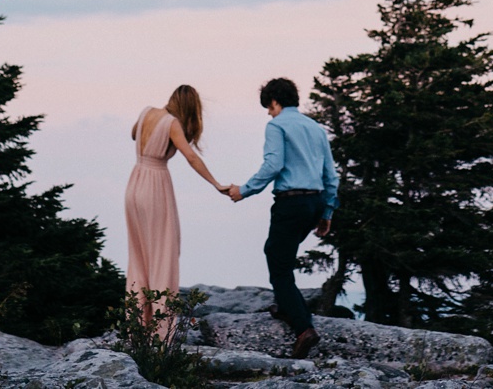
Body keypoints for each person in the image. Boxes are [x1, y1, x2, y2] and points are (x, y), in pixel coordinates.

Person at [227, 76, 338, 360]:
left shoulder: (276, 125)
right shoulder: (316, 128)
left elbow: (273, 164)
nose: (268, 112)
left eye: (269, 106)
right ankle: (287, 307)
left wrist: (245, 190)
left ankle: (304, 329)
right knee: (283, 257)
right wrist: (326, 213)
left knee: (278, 264)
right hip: (313, 202)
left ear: (275, 101)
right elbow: (330, 176)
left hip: (291, 202)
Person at [125, 84, 235, 326]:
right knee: (163, 252)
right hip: (155, 185)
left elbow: (134, 134)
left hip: (135, 183)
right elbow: (191, 157)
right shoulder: (172, 124)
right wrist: (215, 183)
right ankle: (160, 328)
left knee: (139, 255)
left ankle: (137, 323)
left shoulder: (146, 113)